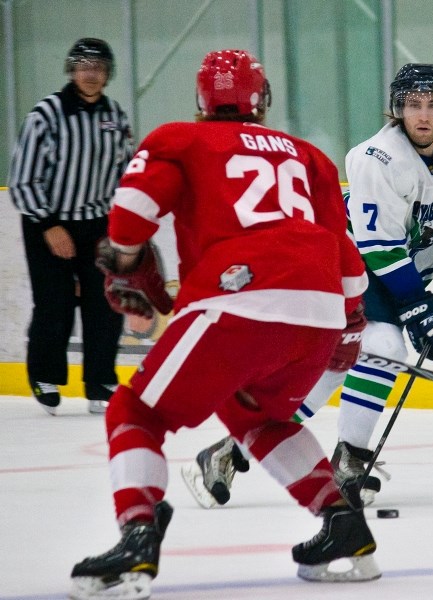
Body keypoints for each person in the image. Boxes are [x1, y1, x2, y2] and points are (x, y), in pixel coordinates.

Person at [69, 49, 379, 600]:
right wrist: (350, 323)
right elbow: (348, 259)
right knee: (255, 414)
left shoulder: (180, 139)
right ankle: (343, 525)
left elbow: (131, 213)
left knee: (134, 409)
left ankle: (138, 534)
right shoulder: (308, 155)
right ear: (262, 99)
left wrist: (122, 263)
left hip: (239, 296)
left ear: (201, 100)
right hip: (318, 308)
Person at [182, 62, 433, 508]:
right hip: (350, 265)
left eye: (432, 105)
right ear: (397, 109)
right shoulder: (375, 158)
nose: (423, 114)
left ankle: (231, 448)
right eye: (414, 104)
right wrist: (419, 310)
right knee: (384, 346)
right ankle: (350, 459)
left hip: (403, 271)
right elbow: (380, 250)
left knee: (331, 370)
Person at [8, 38, 134, 415]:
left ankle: (100, 379)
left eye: (98, 68)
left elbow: (125, 174)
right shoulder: (45, 115)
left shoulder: (116, 116)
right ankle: (44, 375)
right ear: (71, 71)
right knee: (54, 304)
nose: (90, 74)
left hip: (96, 225)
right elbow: (22, 179)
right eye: (83, 67)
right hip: (47, 222)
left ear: (107, 74)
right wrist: (49, 225)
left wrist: (122, 225)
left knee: (105, 305)